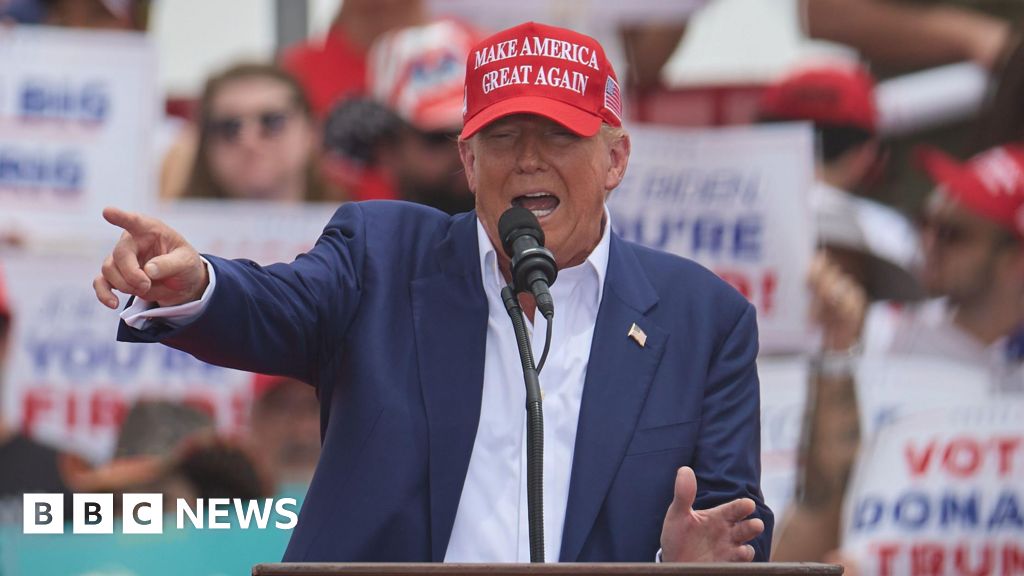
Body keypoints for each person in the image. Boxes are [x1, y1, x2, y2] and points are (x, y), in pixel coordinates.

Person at [93, 22, 772, 563]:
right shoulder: (382, 257)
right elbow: (276, 305)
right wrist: (198, 282)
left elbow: (730, 528)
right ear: (469, 163)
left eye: (559, 136)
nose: (528, 160)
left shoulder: (704, 319)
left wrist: (678, 565)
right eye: (502, 137)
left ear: (615, 159)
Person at [172, 63, 335, 203]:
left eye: (272, 121)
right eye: (229, 127)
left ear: (311, 132)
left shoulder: (348, 225)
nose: (249, 140)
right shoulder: (172, 229)